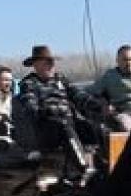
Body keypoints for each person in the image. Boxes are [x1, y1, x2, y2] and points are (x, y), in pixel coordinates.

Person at [14, 44, 98, 177]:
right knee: (63, 125)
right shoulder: (29, 83)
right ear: (36, 65)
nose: (51, 65)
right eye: (47, 62)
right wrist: (47, 111)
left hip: (68, 124)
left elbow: (77, 95)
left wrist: (96, 104)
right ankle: (83, 168)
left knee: (91, 127)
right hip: (46, 130)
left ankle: (101, 165)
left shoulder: (61, 80)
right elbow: (30, 106)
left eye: (52, 62)